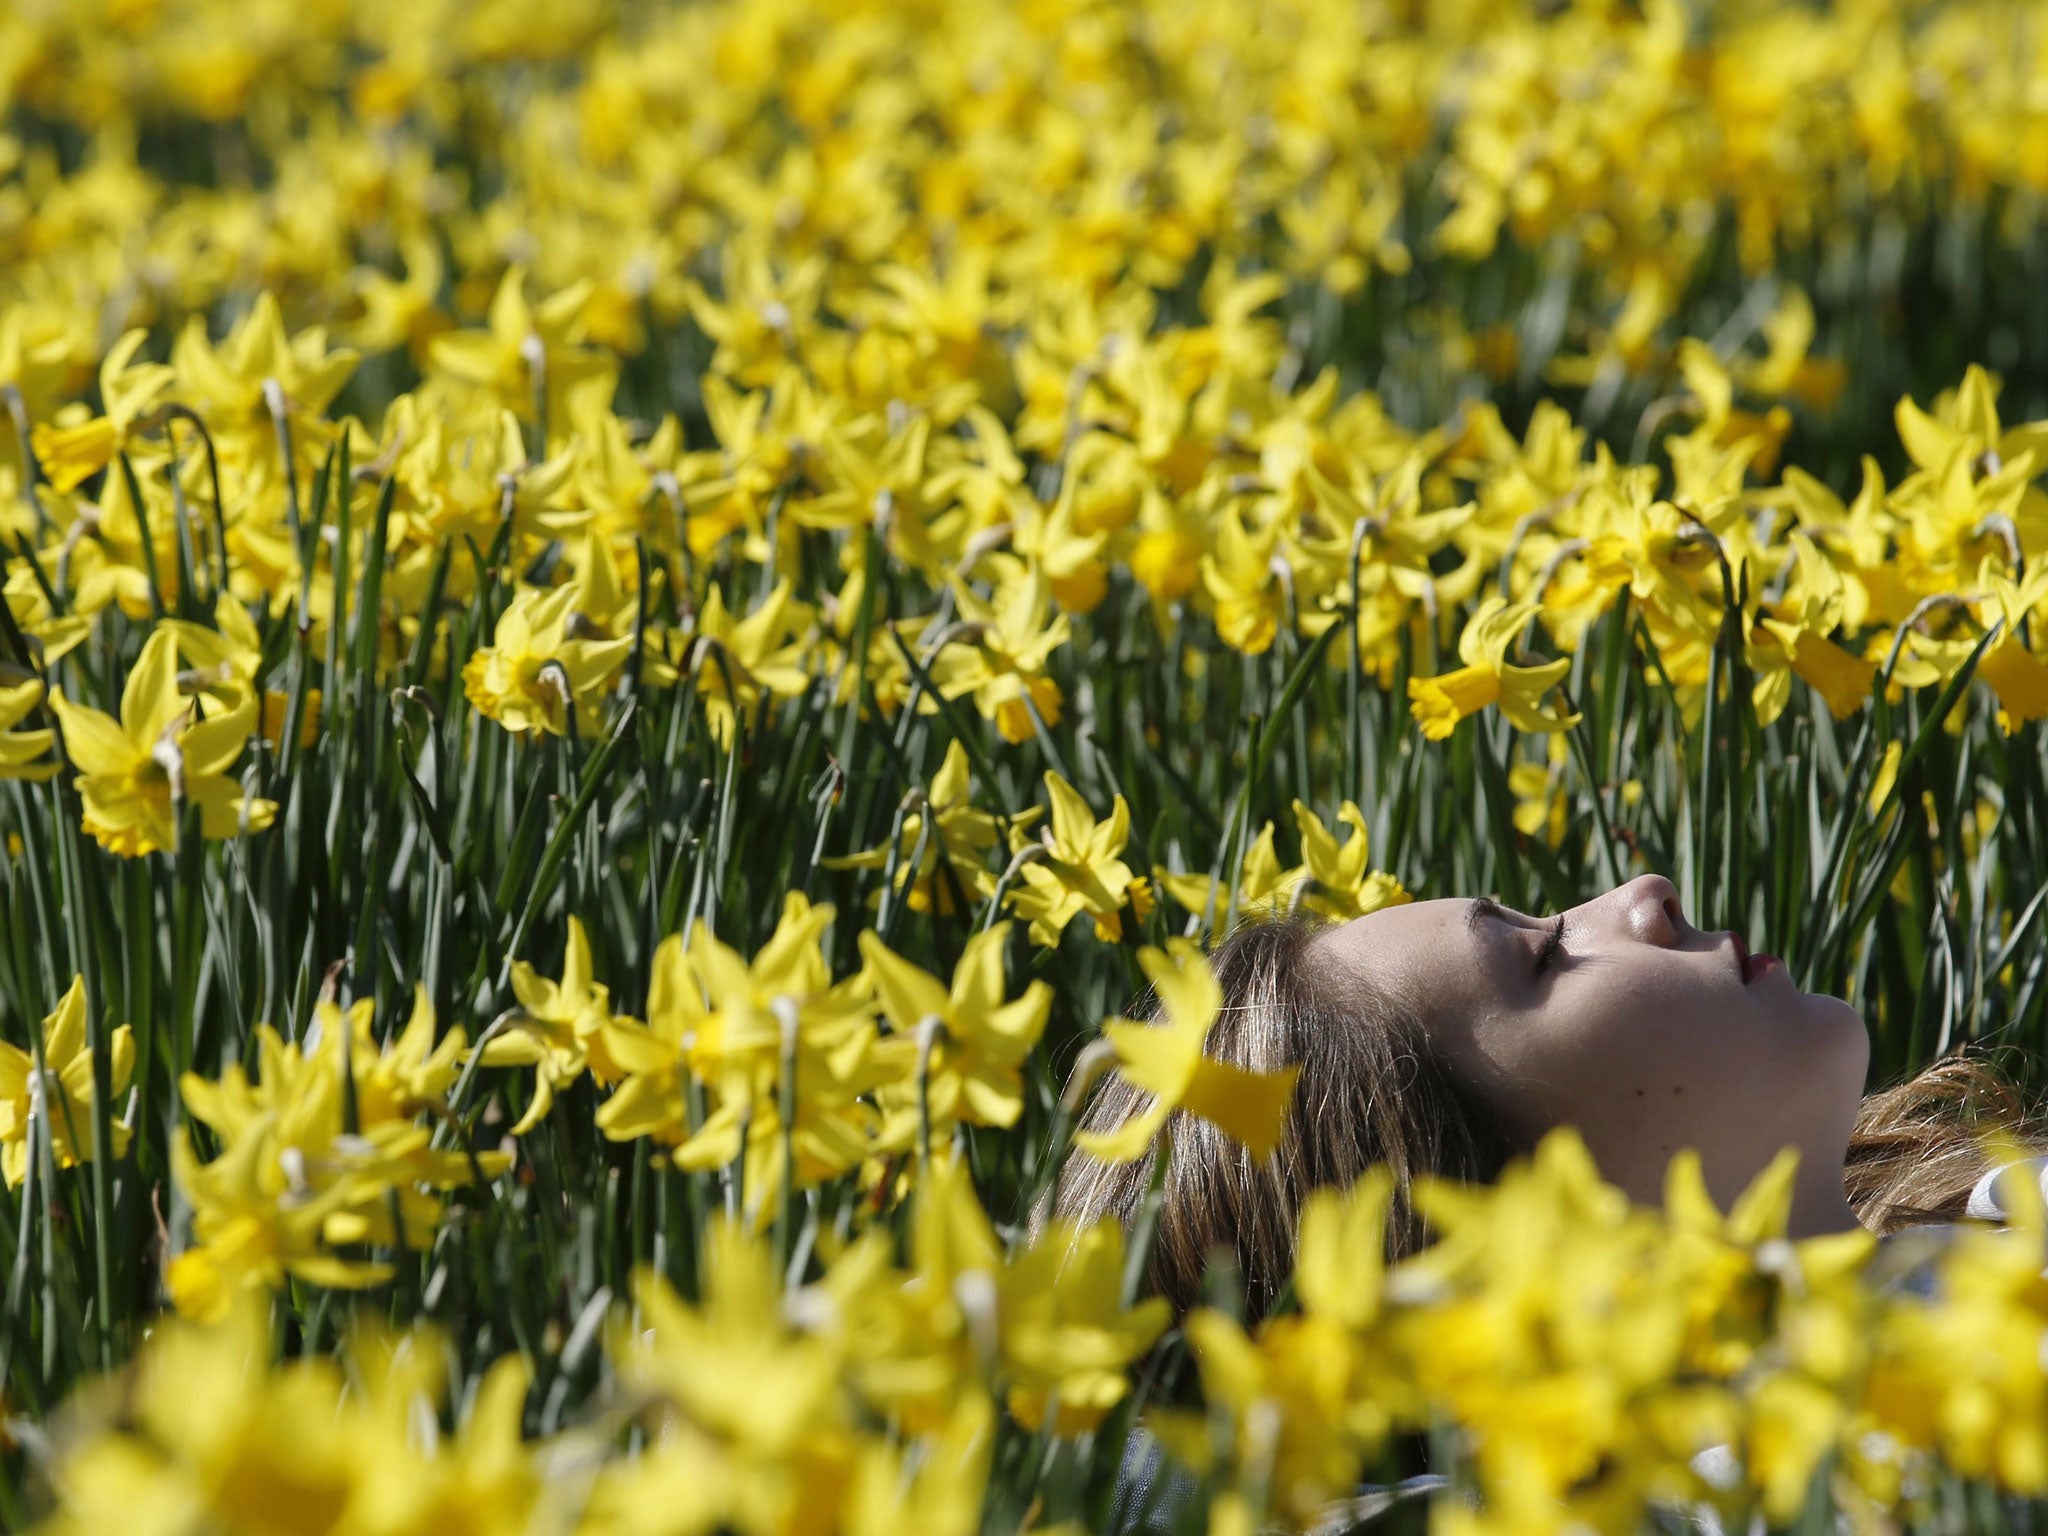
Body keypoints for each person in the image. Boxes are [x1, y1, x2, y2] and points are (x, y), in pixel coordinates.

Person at [1046, 872, 2048, 1534]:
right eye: (1542, 957)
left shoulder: (1986, 1216)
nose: (1643, 894)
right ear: (1494, 1225)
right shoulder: (1766, 1491)